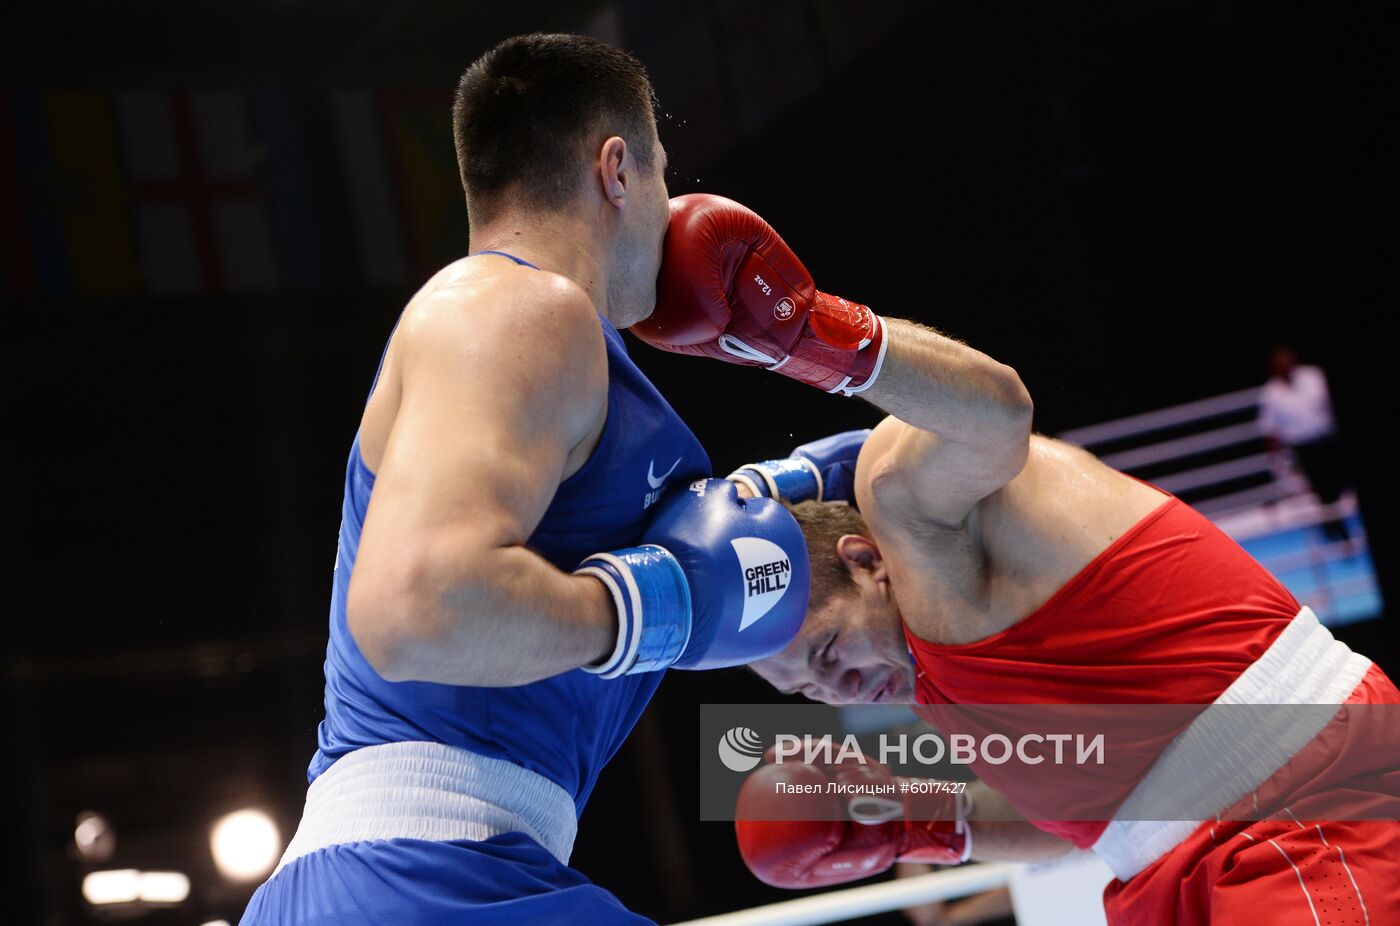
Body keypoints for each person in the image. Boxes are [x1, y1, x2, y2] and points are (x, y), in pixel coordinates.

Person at [635, 193, 1400, 925]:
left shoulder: (911, 511)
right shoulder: (952, 694)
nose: (834, 684)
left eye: (826, 647)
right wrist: (916, 819)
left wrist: (805, 334)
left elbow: (995, 411)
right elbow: (1096, 822)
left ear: (867, 561)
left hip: (1302, 809)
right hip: (1187, 862)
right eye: (806, 686)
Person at [239, 36, 809, 926]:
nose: (672, 211)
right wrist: (646, 608)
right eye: (665, 173)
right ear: (617, 170)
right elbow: (414, 609)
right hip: (425, 878)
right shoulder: (518, 308)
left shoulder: (547, 351)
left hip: (424, 878)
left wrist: (823, 382)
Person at [1258, 344, 1353, 543]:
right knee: (1322, 491)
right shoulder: (1270, 394)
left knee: (1337, 486)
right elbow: (1269, 429)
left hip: (1329, 440)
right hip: (1303, 449)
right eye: (1279, 365)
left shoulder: (1314, 377)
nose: (1284, 368)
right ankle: (1337, 531)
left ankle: (1337, 528)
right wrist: (1277, 459)